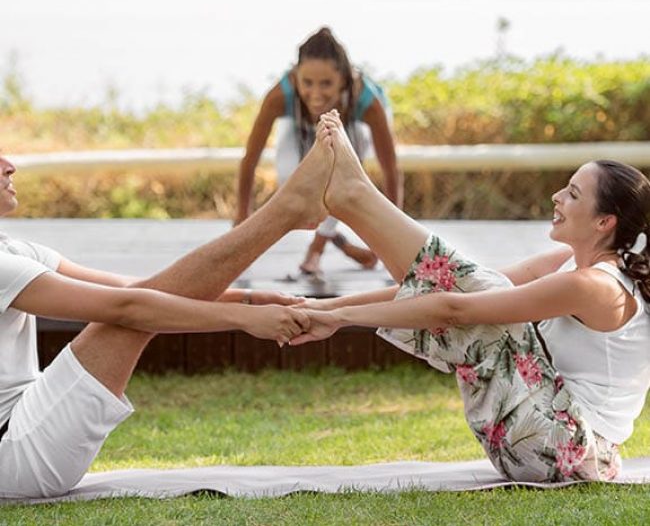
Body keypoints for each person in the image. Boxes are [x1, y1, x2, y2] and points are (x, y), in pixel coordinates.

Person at [291, 110, 650, 483]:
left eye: (573, 194)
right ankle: (356, 196)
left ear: (604, 222)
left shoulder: (594, 286)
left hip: (562, 447)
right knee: (485, 284)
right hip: (542, 439)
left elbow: (456, 307)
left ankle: (358, 196)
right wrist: (325, 306)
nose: (557, 196)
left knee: (489, 300)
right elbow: (459, 284)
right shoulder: (570, 265)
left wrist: (338, 320)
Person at [0, 140, 337, 498]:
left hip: (27, 419)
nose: (10, 166)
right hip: (14, 454)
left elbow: (135, 288)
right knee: (125, 318)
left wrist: (248, 298)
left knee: (134, 306)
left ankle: (288, 210)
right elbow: (127, 307)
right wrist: (243, 317)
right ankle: (284, 212)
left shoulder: (14, 250)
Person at [236, 26, 402, 274]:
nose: (315, 94)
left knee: (336, 178)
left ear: (343, 81)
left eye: (326, 84)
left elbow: (391, 169)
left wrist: (393, 236)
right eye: (307, 83)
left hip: (351, 128)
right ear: (295, 77)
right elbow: (250, 160)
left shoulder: (368, 103)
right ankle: (341, 244)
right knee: (289, 181)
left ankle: (316, 250)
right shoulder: (280, 96)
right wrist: (241, 218)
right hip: (299, 127)